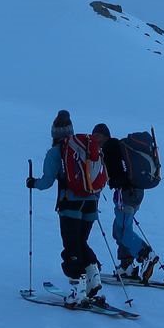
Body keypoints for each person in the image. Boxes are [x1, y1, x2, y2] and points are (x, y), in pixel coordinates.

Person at [27, 110, 108, 308]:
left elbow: (46, 182)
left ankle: (77, 291)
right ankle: (93, 278)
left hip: (70, 204)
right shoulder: (85, 148)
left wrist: (32, 183)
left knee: (71, 246)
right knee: (81, 242)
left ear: (54, 133)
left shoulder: (56, 152)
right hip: (91, 203)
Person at [97, 123, 164, 285]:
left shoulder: (110, 147)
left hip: (126, 193)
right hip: (135, 192)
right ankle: (127, 265)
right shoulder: (119, 147)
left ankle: (146, 255)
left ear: (103, 136)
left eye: (97, 137)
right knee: (120, 229)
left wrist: (112, 182)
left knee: (122, 231)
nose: (95, 140)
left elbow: (116, 174)